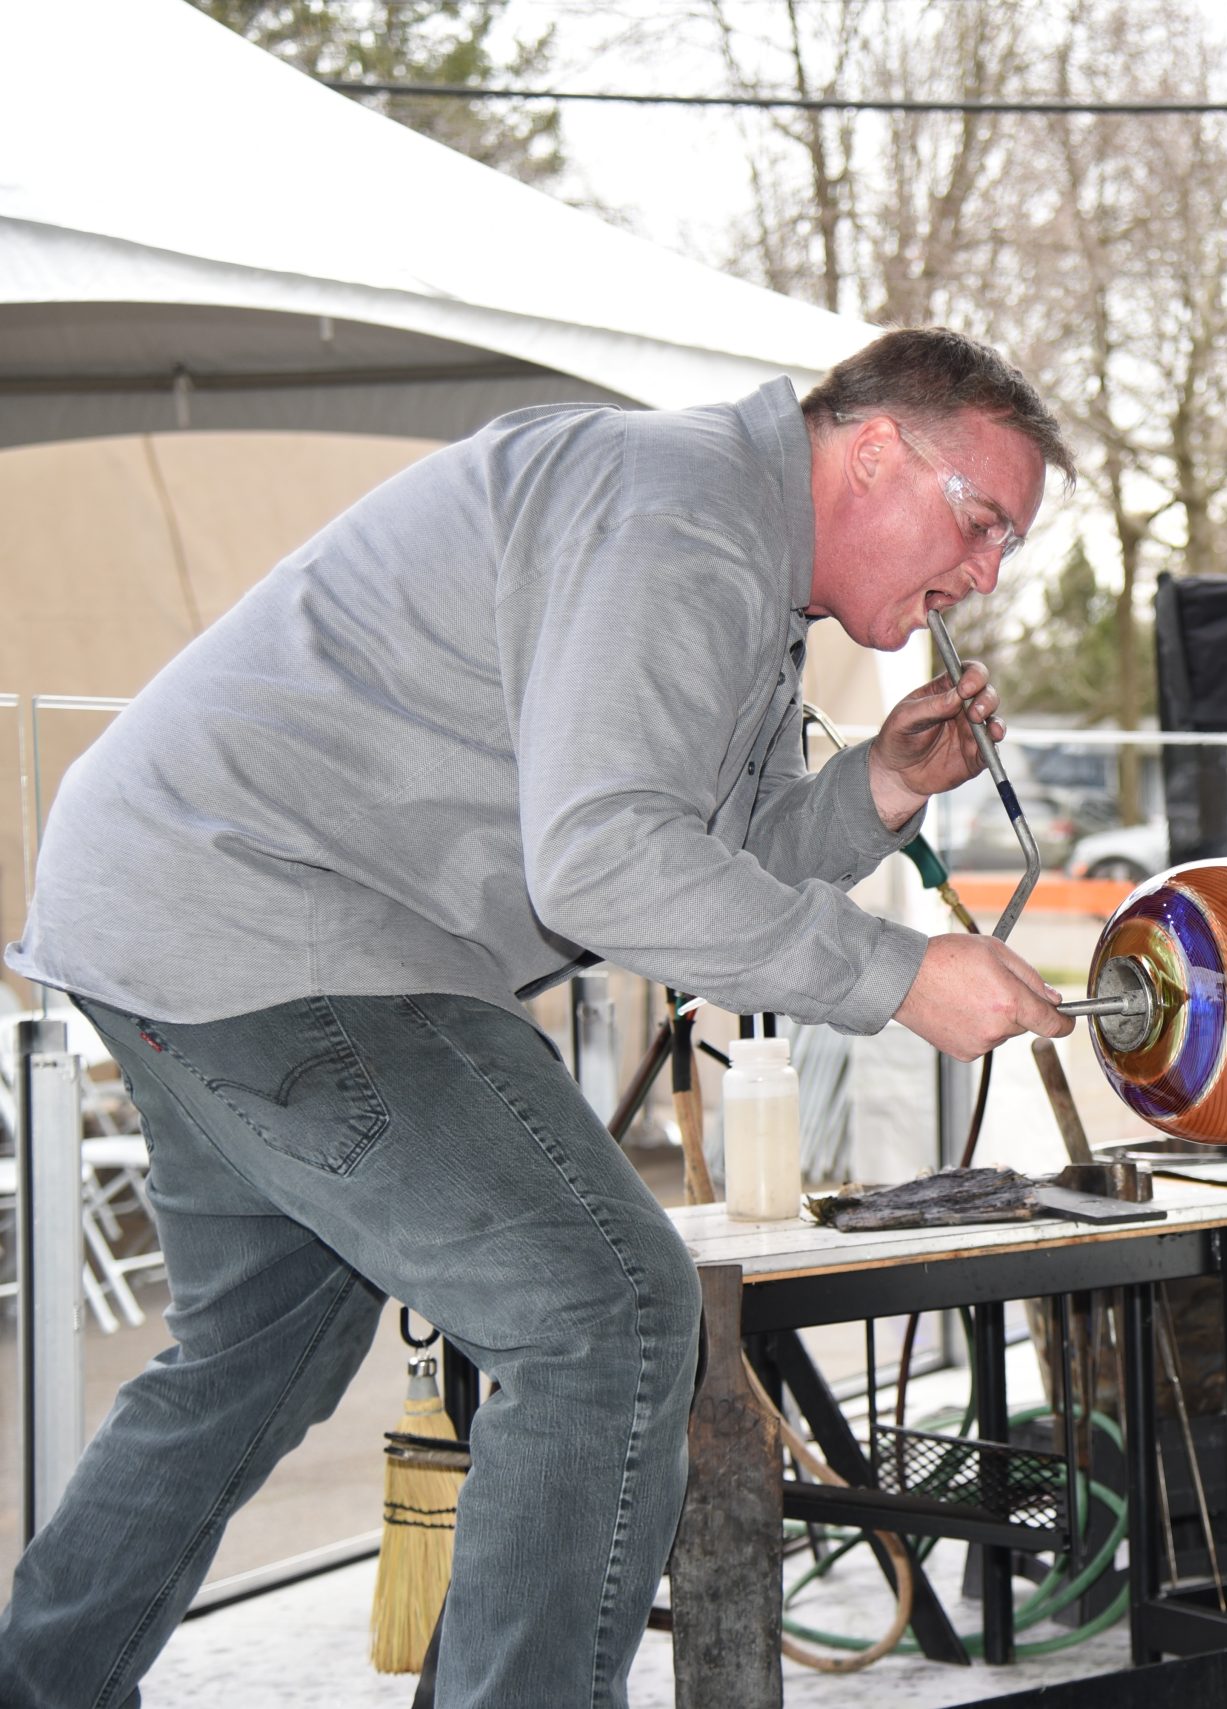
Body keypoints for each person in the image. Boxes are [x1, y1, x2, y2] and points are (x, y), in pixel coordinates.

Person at [0, 326, 1078, 1708]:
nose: (985, 574)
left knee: (252, 1360)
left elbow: (707, 862)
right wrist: (906, 974)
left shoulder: (729, 557)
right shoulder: (682, 516)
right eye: (980, 522)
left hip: (176, 906)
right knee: (610, 1311)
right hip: (283, 912)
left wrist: (874, 785)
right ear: (873, 449)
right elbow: (606, 862)